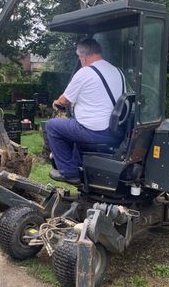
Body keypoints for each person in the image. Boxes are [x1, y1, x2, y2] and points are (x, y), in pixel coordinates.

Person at [45, 38, 124, 185]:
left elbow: (64, 100)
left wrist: (56, 102)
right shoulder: (117, 71)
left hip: (96, 132)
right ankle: (79, 166)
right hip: (115, 132)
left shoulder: (85, 72)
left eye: (79, 57)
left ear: (83, 55)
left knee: (52, 126)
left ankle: (68, 172)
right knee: (75, 124)